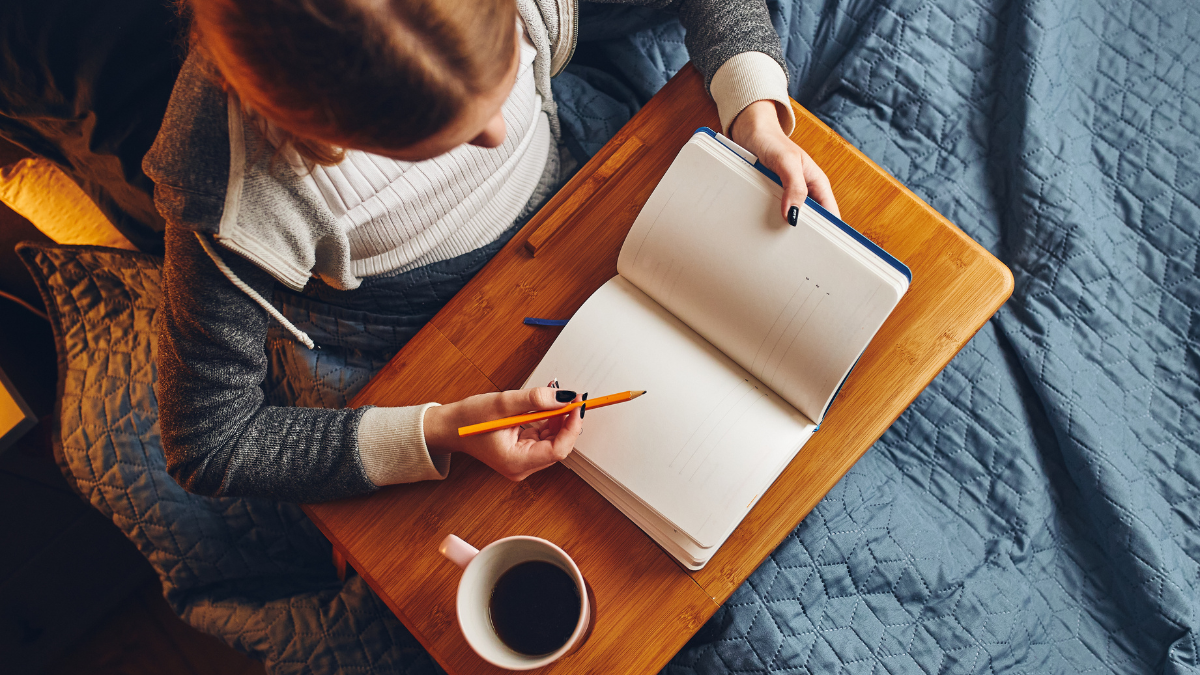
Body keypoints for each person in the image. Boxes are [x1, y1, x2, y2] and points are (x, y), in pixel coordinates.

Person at [145, 0, 841, 503]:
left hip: (577, 185)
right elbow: (209, 443)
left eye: (503, 75)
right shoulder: (232, 192)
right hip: (427, 311)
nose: (498, 133)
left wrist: (756, 113)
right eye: (441, 136)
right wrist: (444, 430)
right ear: (319, 138)